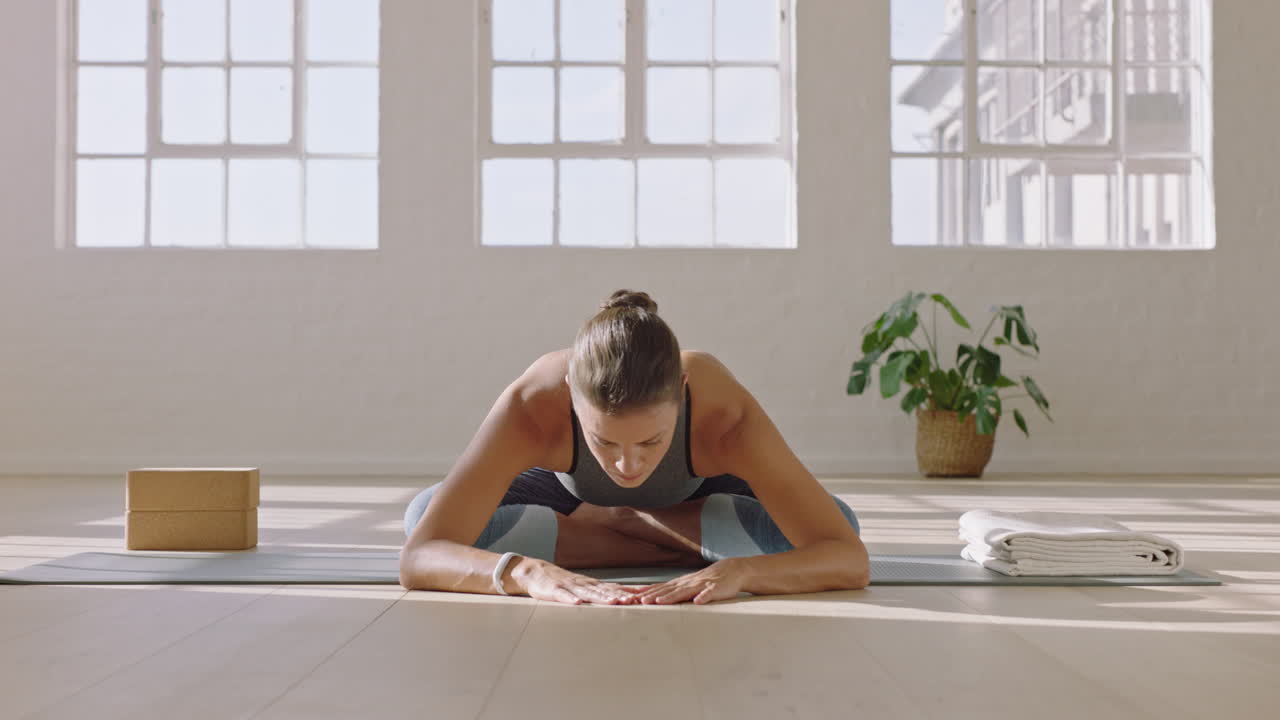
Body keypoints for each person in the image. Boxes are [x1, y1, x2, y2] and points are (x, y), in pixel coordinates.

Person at [400, 290, 869, 605]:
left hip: (694, 495)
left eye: (652, 440)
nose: (627, 465)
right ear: (569, 395)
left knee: (836, 523)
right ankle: (670, 542)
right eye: (603, 441)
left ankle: (627, 527)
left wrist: (744, 573)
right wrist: (525, 573)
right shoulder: (533, 403)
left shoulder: (721, 412)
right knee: (423, 515)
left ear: (683, 393)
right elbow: (421, 555)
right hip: (568, 493)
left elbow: (847, 556)